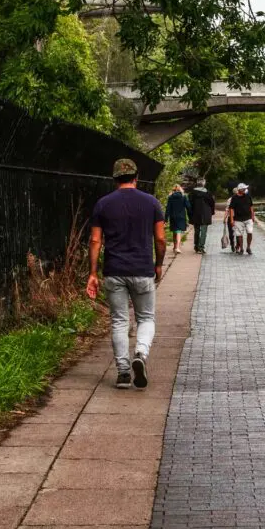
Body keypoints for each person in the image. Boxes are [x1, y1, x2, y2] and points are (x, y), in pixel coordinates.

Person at [87, 158, 166, 389]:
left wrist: (92, 273)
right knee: (146, 318)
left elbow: (95, 240)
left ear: (114, 179)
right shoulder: (151, 203)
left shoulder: (103, 204)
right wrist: (158, 264)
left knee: (119, 321)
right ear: (136, 177)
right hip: (142, 269)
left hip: (114, 270)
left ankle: (122, 373)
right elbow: (160, 239)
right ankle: (140, 353)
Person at [188, 178, 216, 253]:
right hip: (206, 214)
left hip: (196, 213)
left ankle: (196, 246)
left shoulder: (192, 193)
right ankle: (201, 247)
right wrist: (212, 212)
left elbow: (189, 204)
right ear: (203, 184)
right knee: (204, 231)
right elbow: (212, 204)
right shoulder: (208, 193)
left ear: (197, 183)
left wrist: (190, 214)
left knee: (196, 230)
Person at [228, 183, 255, 255]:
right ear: (240, 190)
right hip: (238, 219)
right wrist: (231, 220)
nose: (246, 189)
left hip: (248, 218)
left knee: (250, 232)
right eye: (244, 189)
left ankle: (248, 247)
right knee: (239, 234)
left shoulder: (248, 196)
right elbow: (231, 209)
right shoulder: (234, 198)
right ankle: (241, 248)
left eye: (246, 188)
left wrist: (253, 216)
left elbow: (251, 206)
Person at [165, 184, 190, 254]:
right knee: (178, 232)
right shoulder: (183, 197)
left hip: (173, 217)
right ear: (180, 189)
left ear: (173, 190)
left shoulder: (170, 197)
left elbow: (168, 209)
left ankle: (175, 246)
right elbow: (188, 206)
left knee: (174, 232)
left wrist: (166, 219)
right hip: (181, 217)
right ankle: (177, 247)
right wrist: (190, 215)